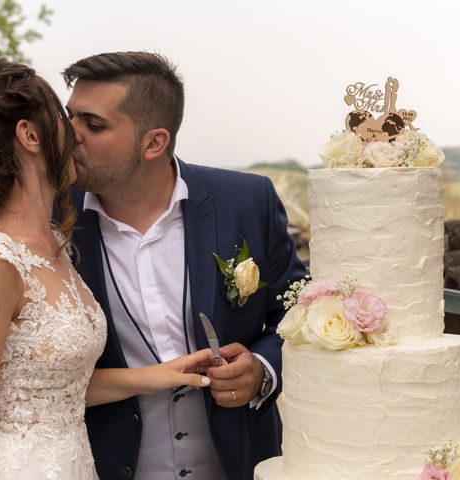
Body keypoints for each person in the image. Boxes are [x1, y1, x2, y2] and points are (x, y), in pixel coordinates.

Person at [0, 58, 215, 480]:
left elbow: (52, 389)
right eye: (65, 117)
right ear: (29, 135)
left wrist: (155, 376)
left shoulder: (58, 242)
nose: (75, 133)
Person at [63, 51, 307, 480]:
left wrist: (262, 370)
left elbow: (300, 311)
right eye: (70, 119)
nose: (69, 137)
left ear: (154, 142)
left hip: (242, 464)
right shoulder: (49, 221)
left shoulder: (247, 201)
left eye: (93, 125)